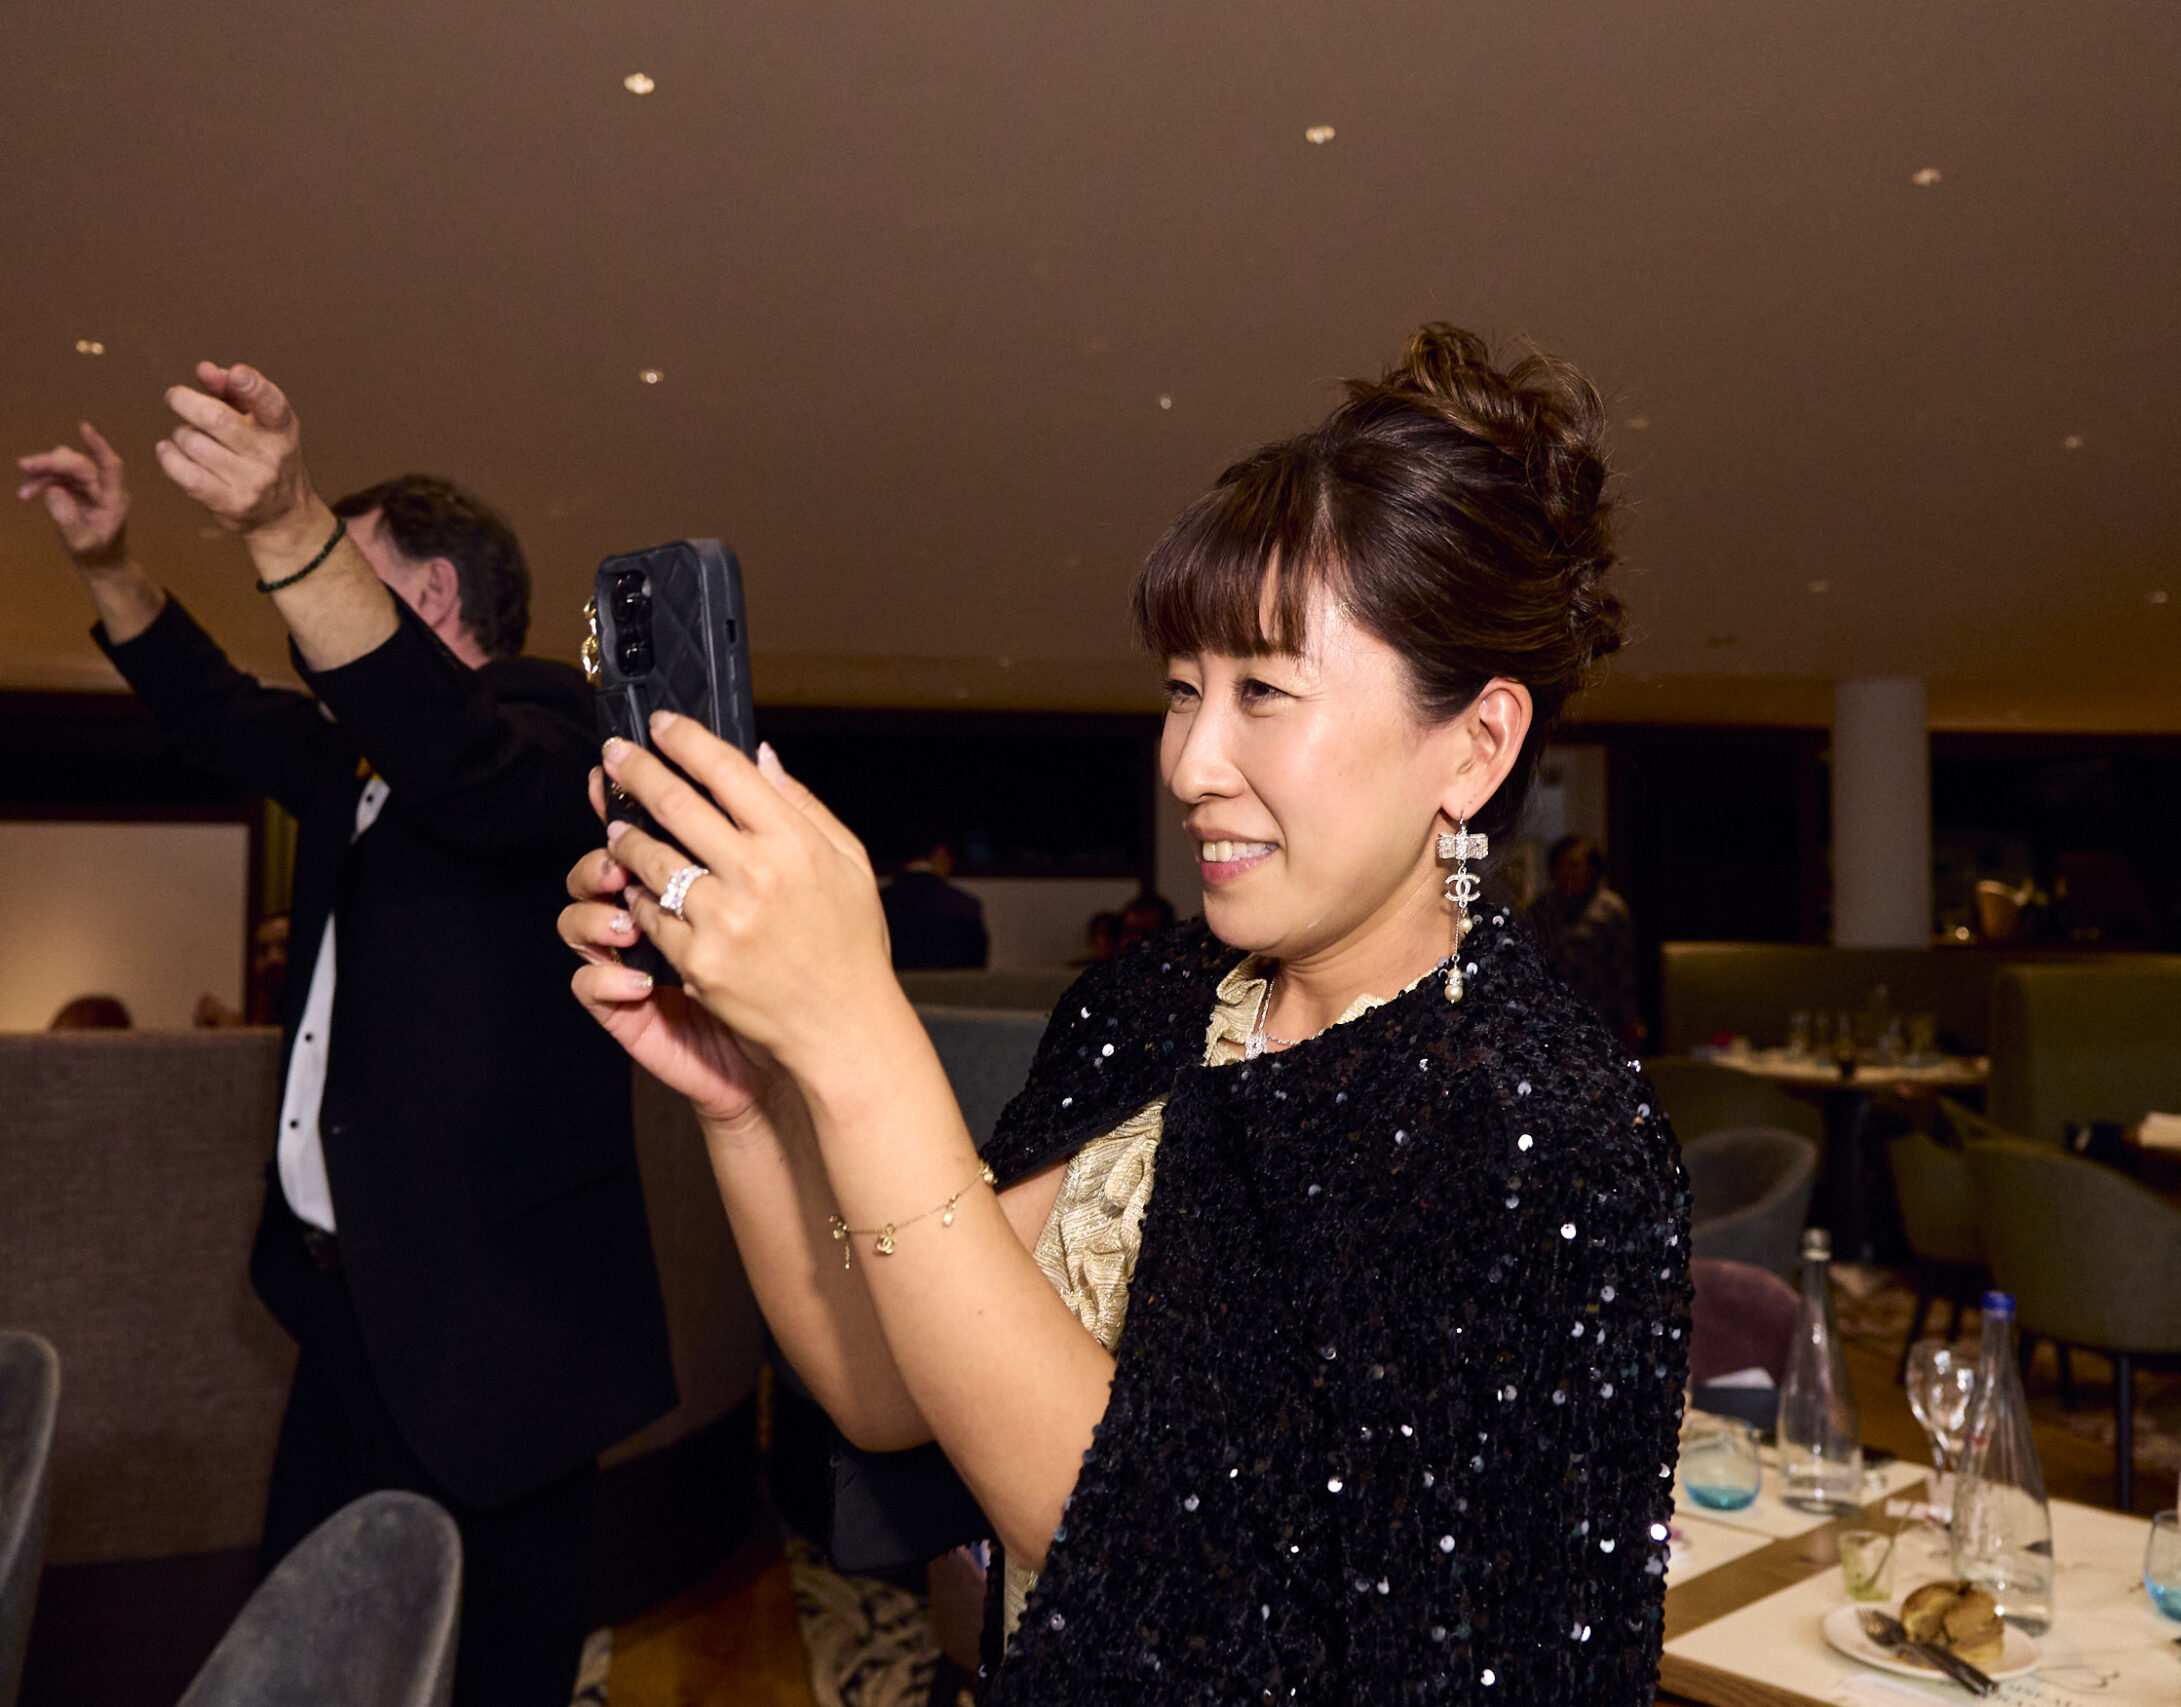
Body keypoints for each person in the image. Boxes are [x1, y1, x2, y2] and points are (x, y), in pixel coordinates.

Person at [559, 323, 1688, 1701]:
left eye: (1262, 691)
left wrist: (860, 1042)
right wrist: (751, 1096)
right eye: (1181, 691)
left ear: (1477, 743)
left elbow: (1189, 1587)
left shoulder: (1545, 1134)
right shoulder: (1151, 1000)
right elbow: (891, 1387)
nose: (1190, 761)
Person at [17, 371, 675, 1707]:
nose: (294, 611)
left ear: (428, 596)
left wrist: (283, 521)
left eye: (335, 572)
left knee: (490, 1671)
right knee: (315, 1648)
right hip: (343, 1314)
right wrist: (108, 561)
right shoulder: (352, 768)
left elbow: (459, 760)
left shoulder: (566, 745)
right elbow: (210, 705)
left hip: (500, 1345)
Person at [1526, 832, 1643, 1049]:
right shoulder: (1541, 910)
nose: (1569, 872)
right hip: (1553, 1012)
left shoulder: (1610, 909)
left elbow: (1624, 969)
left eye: (1575, 865)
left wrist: (1629, 1017)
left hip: (1600, 1012)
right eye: (1562, 865)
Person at [877, 822, 990, 969]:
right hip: (951, 983)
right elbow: (976, 965)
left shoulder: (879, 903)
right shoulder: (964, 905)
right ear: (941, 853)